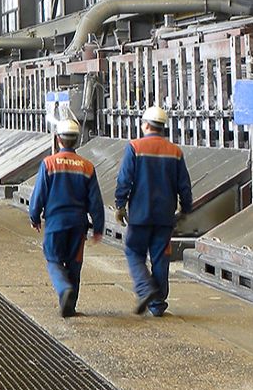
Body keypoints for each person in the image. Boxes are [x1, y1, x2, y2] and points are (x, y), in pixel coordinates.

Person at [115, 106, 193, 317]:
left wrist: (120, 205)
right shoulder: (175, 151)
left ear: (147, 125)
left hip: (140, 215)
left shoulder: (135, 147)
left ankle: (145, 289)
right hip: (165, 217)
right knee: (160, 258)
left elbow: (124, 180)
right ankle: (157, 305)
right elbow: (184, 184)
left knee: (134, 252)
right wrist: (186, 208)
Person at [28, 119, 104, 318]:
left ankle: (63, 289)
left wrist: (34, 216)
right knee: (74, 265)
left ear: (58, 139)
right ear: (77, 140)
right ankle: (70, 306)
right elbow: (95, 201)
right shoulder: (87, 167)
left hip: (55, 223)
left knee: (53, 260)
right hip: (78, 226)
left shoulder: (48, 164)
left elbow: (39, 194)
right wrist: (98, 227)